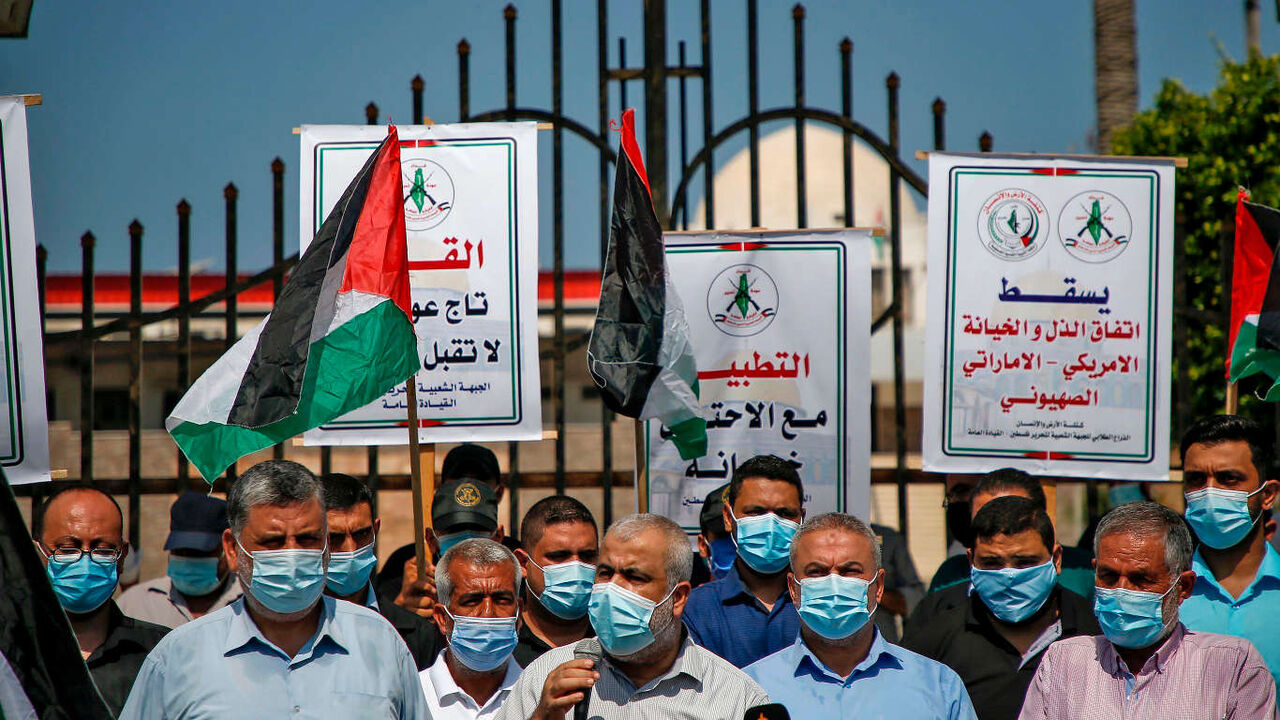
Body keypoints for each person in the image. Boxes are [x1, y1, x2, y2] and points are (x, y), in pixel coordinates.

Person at [120, 460, 428, 719]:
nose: (292, 555)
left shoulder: (381, 644)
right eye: (272, 542)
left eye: (307, 539)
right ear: (231, 548)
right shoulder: (178, 659)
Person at [496, 513, 768, 720]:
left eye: (634, 577)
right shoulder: (546, 677)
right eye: (605, 573)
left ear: (678, 598)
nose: (612, 588)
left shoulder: (735, 697)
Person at [1018, 501, 1277, 719]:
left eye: (1141, 579)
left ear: (1183, 586)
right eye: (1108, 576)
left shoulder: (1232, 665)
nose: (1121, 590)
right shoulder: (1064, 661)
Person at [744, 512, 977, 719]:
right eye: (817, 572)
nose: (834, 583)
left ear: (878, 586)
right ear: (794, 588)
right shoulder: (750, 690)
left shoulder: (939, 687)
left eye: (850, 571)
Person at [902, 497, 1099, 720]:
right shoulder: (933, 643)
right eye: (992, 563)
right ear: (971, 561)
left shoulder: (1097, 634)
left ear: (1056, 559)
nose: (1009, 576)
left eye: (1025, 562)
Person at [33, 486, 168, 716]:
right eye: (67, 550)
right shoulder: (12, 651)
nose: (85, 562)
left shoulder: (161, 654)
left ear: (122, 556)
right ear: (38, 554)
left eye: (103, 550)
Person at [1176, 414, 1280, 685]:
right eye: (1196, 479)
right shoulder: (1162, 594)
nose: (1209, 492)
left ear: (1267, 494)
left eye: (1228, 479)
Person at [682, 454, 805, 667]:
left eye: (784, 513)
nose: (770, 524)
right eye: (756, 512)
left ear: (802, 519)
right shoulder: (695, 610)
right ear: (729, 518)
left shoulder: (822, 602)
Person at [320, 472, 444, 670]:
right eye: (334, 538)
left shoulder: (416, 634)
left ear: (376, 529)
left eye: (362, 534)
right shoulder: (292, 628)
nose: (351, 549)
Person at [378, 447, 508, 614]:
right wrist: (402, 608)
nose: (466, 490)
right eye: (454, 530)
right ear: (431, 540)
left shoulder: (515, 564)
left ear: (498, 537)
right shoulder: (406, 567)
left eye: (479, 482)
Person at [927, 469, 1094, 600]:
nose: (1000, 531)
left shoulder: (1085, 573)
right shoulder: (950, 578)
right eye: (986, 520)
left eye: (1013, 518)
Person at [420, 538, 525, 719]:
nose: (488, 612)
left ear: (519, 613)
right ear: (442, 618)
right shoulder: (411, 694)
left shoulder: (540, 694)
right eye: (471, 601)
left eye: (501, 599)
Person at [118, 491, 242, 628]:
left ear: (228, 549)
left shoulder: (250, 602)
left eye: (200, 552)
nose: (189, 559)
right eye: (180, 551)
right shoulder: (134, 604)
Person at [512, 495, 598, 666]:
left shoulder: (615, 640)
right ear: (523, 563)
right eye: (559, 556)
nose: (576, 567)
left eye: (587, 556)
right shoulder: (504, 645)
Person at [869, 522, 924, 642]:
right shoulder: (819, 535)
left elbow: (916, 599)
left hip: (881, 644)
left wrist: (874, 591)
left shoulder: (887, 538)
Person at [694, 483, 734, 587]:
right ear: (703, 546)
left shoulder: (780, 601)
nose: (736, 543)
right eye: (724, 536)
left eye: (743, 534)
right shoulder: (695, 601)